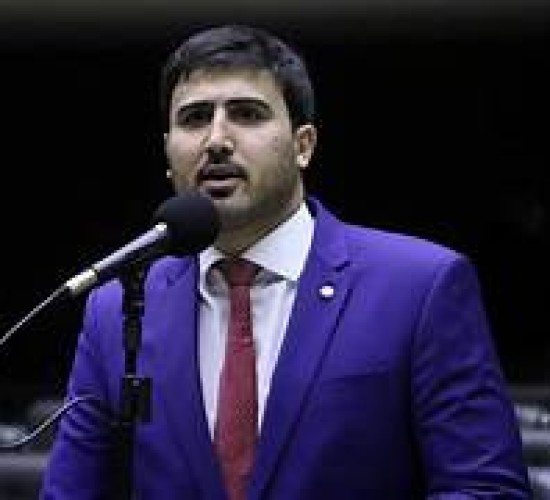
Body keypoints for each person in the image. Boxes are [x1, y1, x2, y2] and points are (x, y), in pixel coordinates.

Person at [41, 23, 531, 499]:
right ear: (168, 154)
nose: (216, 140)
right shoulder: (117, 307)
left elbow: (484, 488)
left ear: (303, 145)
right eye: (194, 119)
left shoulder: (419, 286)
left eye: (247, 114)